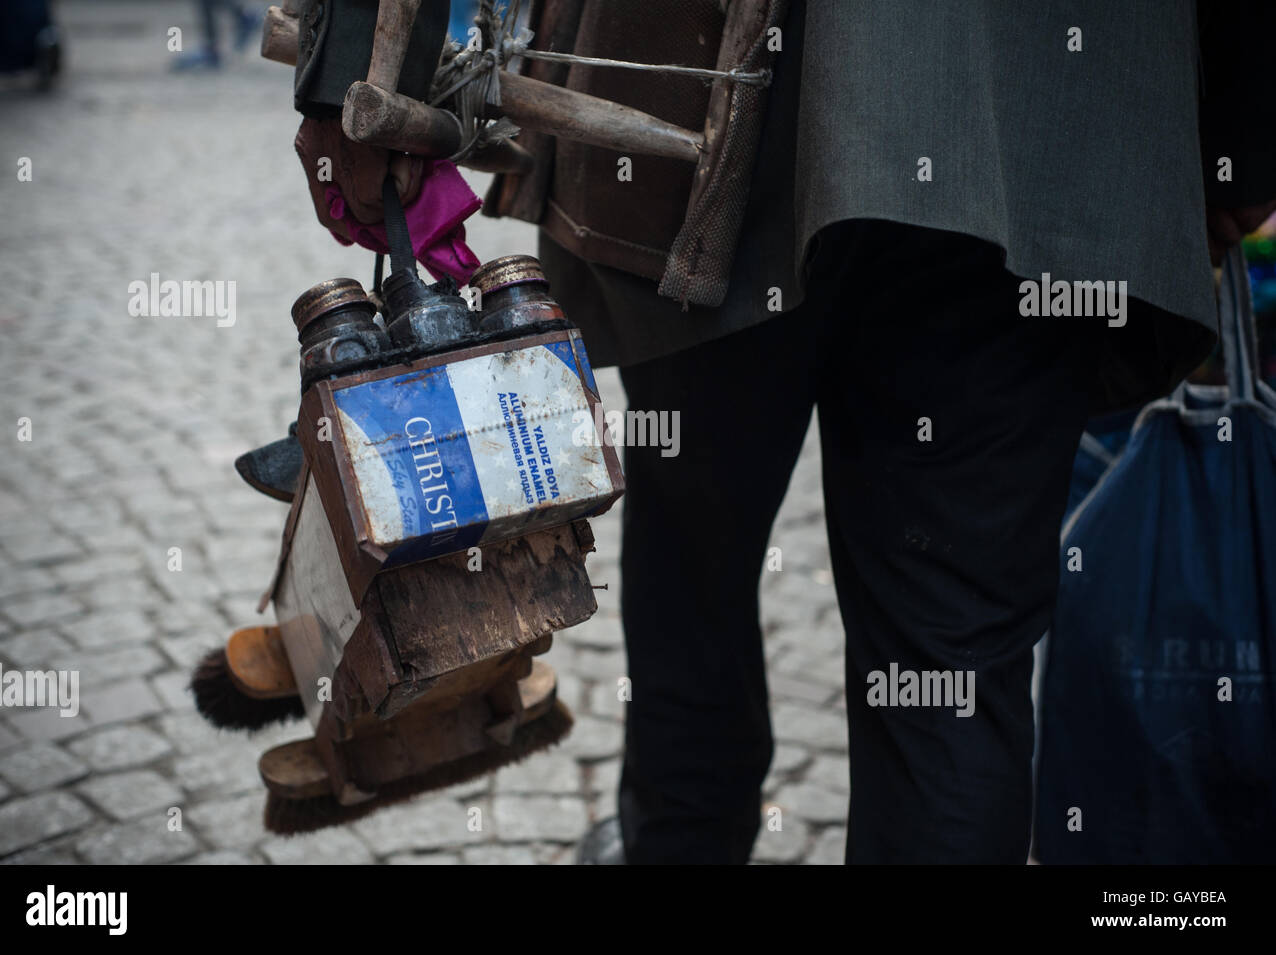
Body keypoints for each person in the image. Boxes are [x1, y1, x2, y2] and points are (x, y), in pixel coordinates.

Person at [271, 0, 1275, 863]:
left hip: (713, 113)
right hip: (1030, 129)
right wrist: (1236, 136)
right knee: (950, 657)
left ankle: (676, 840)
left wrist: (360, 73)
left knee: (692, 566)